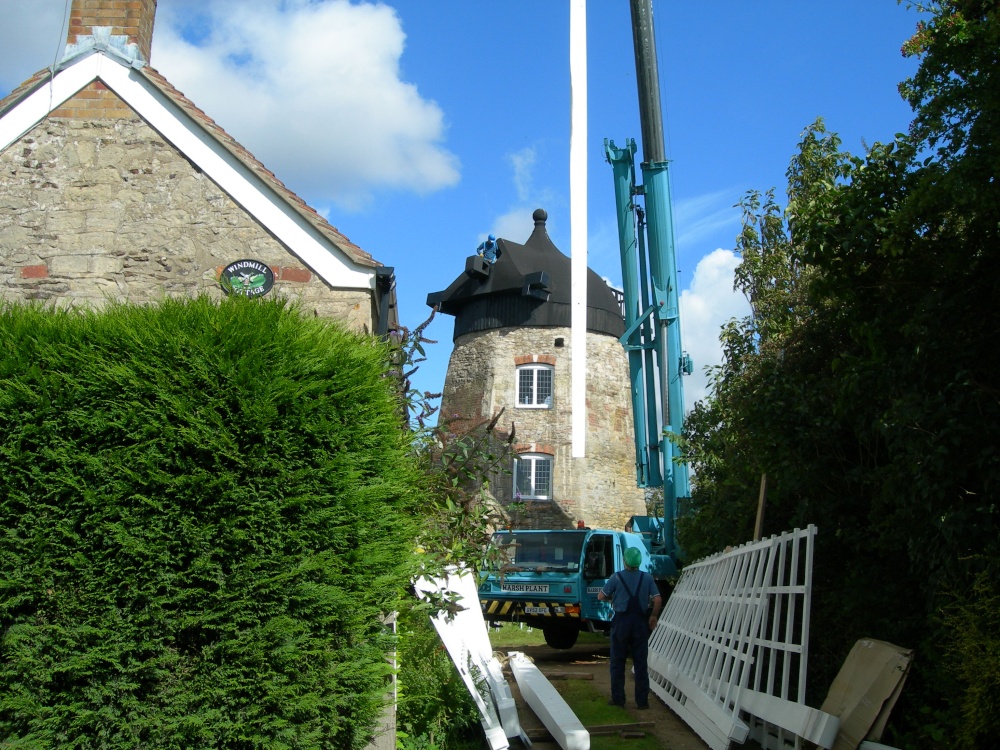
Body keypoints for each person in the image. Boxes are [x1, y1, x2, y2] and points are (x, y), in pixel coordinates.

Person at [598, 546, 662, 709]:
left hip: (621, 623)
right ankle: (642, 701)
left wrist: (614, 598)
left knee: (617, 661)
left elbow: (601, 596)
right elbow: (658, 599)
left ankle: (618, 699)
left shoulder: (616, 577)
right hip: (640, 623)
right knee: (640, 662)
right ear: (639, 562)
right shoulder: (647, 578)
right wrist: (653, 616)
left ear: (625, 561)